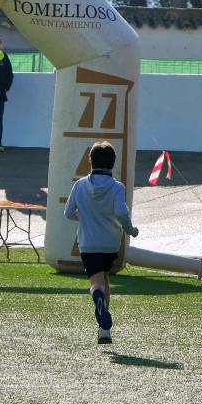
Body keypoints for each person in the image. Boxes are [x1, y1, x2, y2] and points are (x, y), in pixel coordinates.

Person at [63, 141, 139, 346]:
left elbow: (68, 213)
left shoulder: (79, 185)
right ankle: (104, 331)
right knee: (105, 279)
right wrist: (130, 230)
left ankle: (99, 305)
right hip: (110, 242)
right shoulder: (117, 187)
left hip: (88, 242)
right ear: (112, 164)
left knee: (97, 284)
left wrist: (87, 216)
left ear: (90, 161)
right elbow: (122, 213)